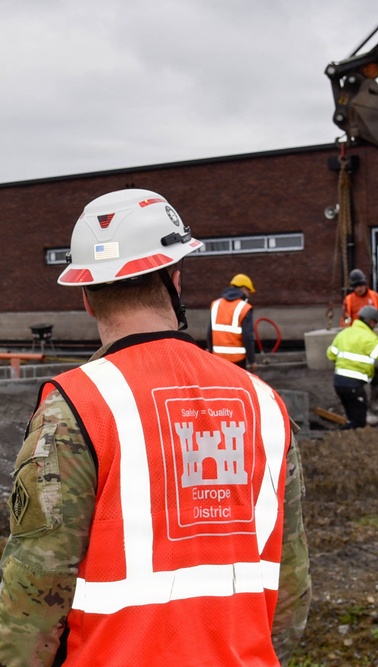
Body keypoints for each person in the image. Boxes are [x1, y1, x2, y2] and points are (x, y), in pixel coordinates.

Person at [0, 189, 311, 666]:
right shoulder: (264, 403)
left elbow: (35, 592)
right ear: (176, 278)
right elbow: (288, 586)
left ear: (86, 297)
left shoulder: (77, 407)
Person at [327, 305, 378, 429]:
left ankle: (347, 436)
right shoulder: (367, 336)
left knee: (352, 416)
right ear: (371, 321)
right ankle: (340, 437)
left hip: (339, 383)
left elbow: (330, 354)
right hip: (353, 385)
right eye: (375, 323)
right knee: (359, 421)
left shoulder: (344, 333)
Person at [340, 269, 378, 408]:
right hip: (356, 340)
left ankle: (374, 400)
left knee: (374, 370)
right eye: (356, 286)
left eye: (361, 285)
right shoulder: (349, 300)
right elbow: (345, 320)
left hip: (371, 339)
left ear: (365, 284)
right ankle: (357, 399)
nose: (359, 289)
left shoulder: (375, 297)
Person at [208, 272, 258, 372]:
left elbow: (210, 333)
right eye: (249, 292)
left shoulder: (216, 304)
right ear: (244, 289)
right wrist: (252, 360)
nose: (249, 295)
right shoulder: (244, 307)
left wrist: (210, 351)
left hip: (218, 359)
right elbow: (247, 337)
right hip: (237, 361)